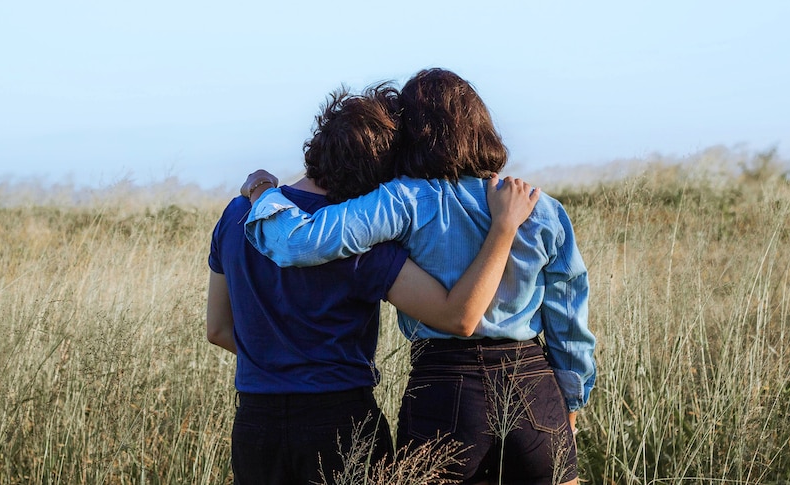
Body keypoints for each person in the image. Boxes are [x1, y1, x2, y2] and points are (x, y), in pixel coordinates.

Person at [241, 68, 595, 484]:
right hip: (536, 389)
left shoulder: (404, 199)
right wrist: (569, 403)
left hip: (445, 387)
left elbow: (298, 244)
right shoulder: (542, 207)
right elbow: (569, 323)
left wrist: (263, 193)